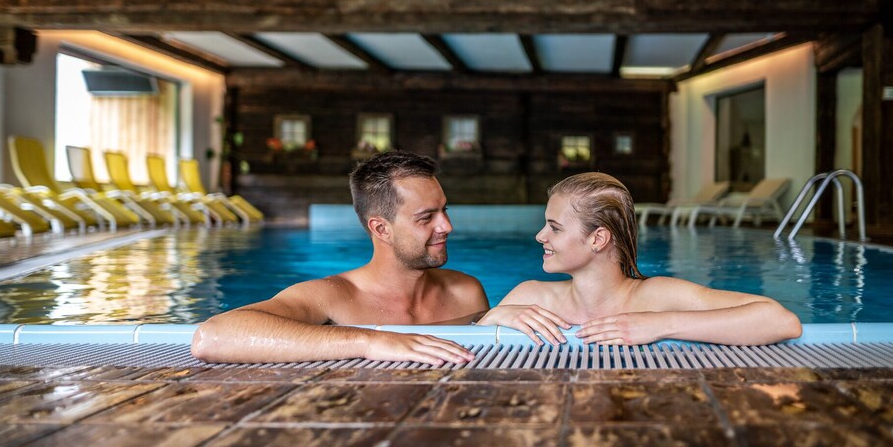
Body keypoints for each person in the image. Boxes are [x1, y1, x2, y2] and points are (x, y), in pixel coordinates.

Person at [191, 151, 489, 364]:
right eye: (426, 217)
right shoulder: (331, 298)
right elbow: (213, 336)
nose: (446, 226)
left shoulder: (465, 293)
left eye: (444, 210)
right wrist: (369, 340)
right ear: (381, 229)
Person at [477, 172, 802, 346]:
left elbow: (781, 321)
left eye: (555, 227)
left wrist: (660, 324)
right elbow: (471, 351)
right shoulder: (531, 298)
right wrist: (492, 319)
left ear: (598, 239)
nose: (540, 236)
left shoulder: (658, 297)